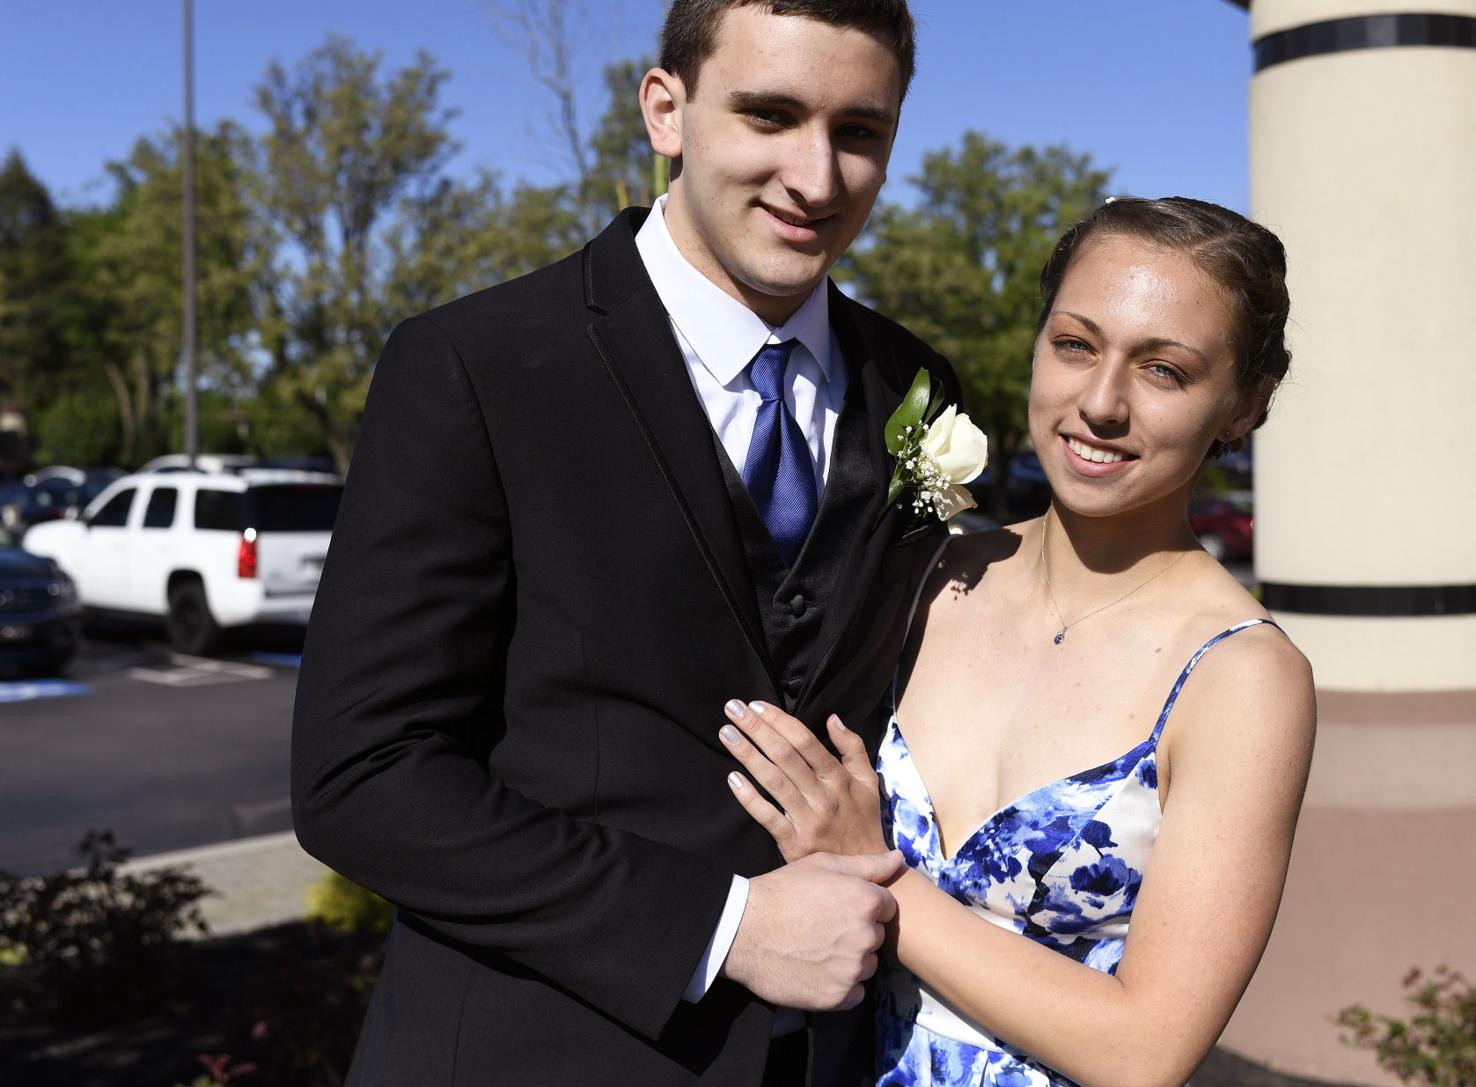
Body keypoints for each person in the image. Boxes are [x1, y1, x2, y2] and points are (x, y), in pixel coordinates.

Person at [290, 1, 966, 1084]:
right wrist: (724, 926)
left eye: (859, 131)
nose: (817, 175)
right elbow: (363, 775)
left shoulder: (918, 388)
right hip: (532, 1051)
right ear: (667, 110)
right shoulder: (477, 365)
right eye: (770, 114)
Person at [715, 197, 1317, 1087]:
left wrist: (870, 870)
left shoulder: (1241, 677)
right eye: (1076, 344)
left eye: (1165, 370)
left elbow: (1144, 1049)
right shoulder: (921, 576)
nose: (1101, 403)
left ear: (1244, 406)